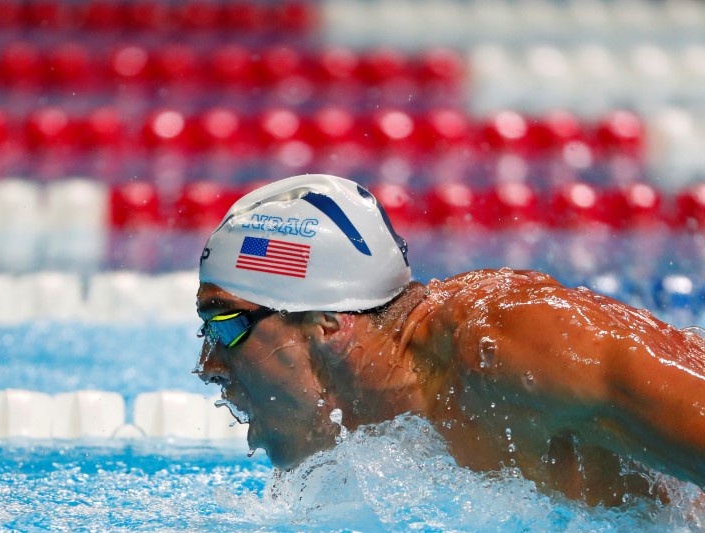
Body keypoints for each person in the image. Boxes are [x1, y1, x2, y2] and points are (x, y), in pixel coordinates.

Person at [194, 174, 705, 506]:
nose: (208, 363)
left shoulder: (515, 344)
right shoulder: (373, 428)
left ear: (327, 324)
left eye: (226, 325)